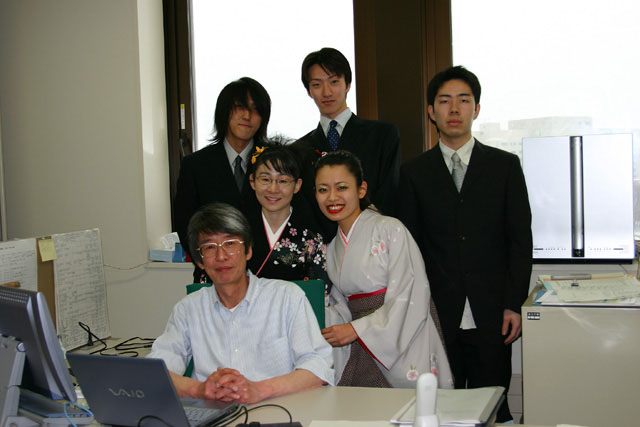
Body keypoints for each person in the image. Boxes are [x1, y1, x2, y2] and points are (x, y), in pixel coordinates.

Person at [397, 66, 532, 422]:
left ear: (477, 108)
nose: (454, 109)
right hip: (437, 314)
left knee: (492, 405)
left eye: (463, 100)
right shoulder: (414, 173)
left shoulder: (505, 166)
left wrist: (513, 304)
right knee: (442, 408)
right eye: (444, 101)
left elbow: (520, 241)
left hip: (493, 313)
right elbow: (410, 249)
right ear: (431, 111)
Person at [149, 203, 334, 404]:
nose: (221, 256)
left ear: (248, 251)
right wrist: (200, 389)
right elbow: (155, 370)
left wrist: (259, 390)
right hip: (211, 413)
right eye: (209, 247)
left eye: (230, 244)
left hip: (277, 409)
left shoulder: (287, 297)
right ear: (200, 262)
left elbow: (319, 366)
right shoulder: (188, 309)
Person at [314, 150, 453, 389]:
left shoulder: (390, 229)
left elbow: (410, 293)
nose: (332, 197)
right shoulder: (333, 246)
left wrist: (357, 329)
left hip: (402, 334)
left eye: (342, 187)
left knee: (411, 405)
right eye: (323, 189)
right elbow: (341, 304)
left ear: (361, 190)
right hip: (358, 338)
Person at [294, 47, 401, 238]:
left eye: (334, 82)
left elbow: (389, 194)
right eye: (317, 84)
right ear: (309, 91)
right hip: (321, 245)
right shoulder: (299, 149)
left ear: (348, 84)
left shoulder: (382, 135)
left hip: (373, 240)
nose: (327, 92)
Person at [174, 77, 270, 283]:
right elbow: (185, 225)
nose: (247, 116)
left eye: (256, 109)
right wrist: (212, 261)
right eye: (240, 107)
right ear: (224, 111)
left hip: (267, 273)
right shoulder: (196, 165)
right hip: (215, 273)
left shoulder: (273, 162)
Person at [246, 141, 329, 290]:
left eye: (283, 181)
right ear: (252, 181)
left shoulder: (311, 239)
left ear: (297, 185)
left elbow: (319, 292)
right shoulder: (237, 233)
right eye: (265, 179)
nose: (273, 189)